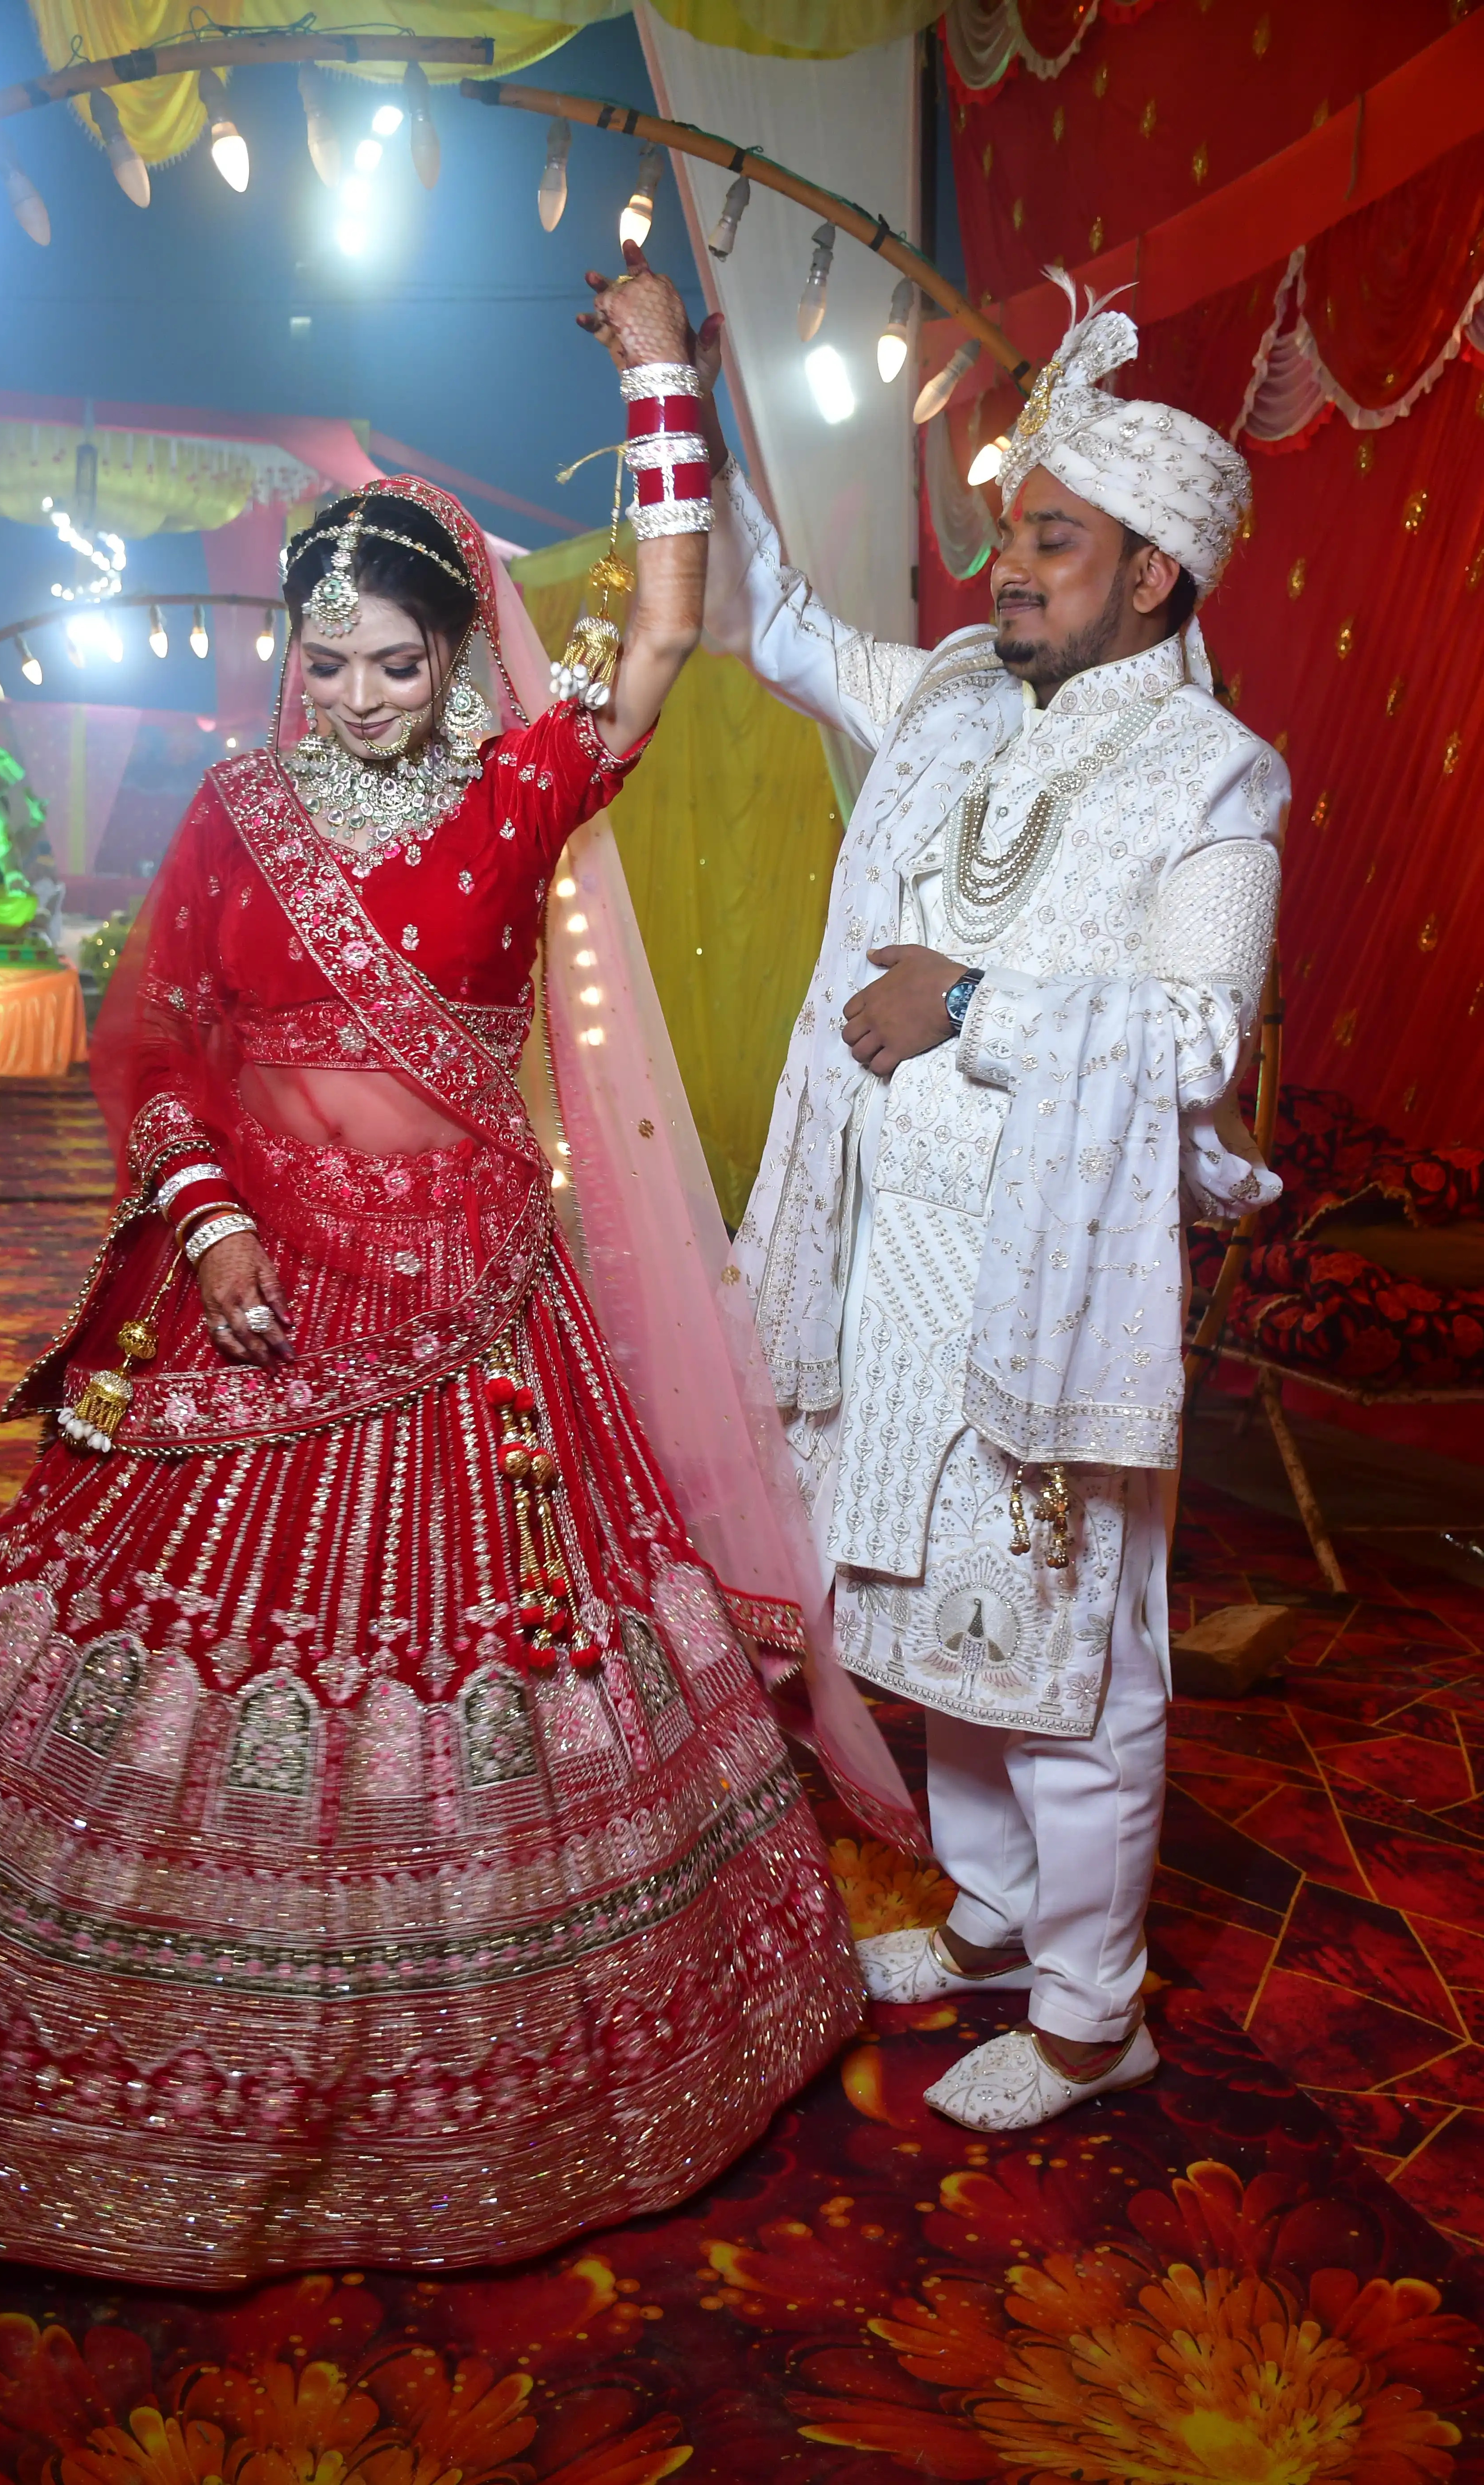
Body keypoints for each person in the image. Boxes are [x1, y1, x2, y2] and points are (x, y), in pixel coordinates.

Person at [0, 260, 867, 2284]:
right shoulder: (232, 818)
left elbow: (664, 636)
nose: (360, 698)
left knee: (506, 1658)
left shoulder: (518, 797)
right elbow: (154, 1049)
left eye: (398, 663)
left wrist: (665, 387)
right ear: (288, 658)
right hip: (260, 1302)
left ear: (458, 658)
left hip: (476, 1314)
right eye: (329, 664)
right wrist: (208, 1222)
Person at [696, 283, 1285, 2131]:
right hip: (895, 1257)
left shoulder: (1215, 778)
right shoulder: (954, 694)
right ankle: (993, 1916)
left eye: (1051, 539)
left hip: (1054, 1283)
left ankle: (1099, 2013)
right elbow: (777, 626)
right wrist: (670, 384)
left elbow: (1191, 1037)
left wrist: (953, 1000)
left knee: (1073, 1654)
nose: (1003, 565)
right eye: (1007, 529)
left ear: (1154, 580)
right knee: (926, 1613)